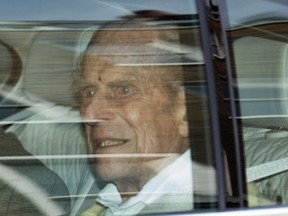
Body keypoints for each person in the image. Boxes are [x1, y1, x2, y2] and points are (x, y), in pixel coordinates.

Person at [75, 18, 198, 215]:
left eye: (124, 90)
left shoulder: (215, 204)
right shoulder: (108, 204)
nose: (90, 114)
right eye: (89, 92)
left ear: (183, 111)